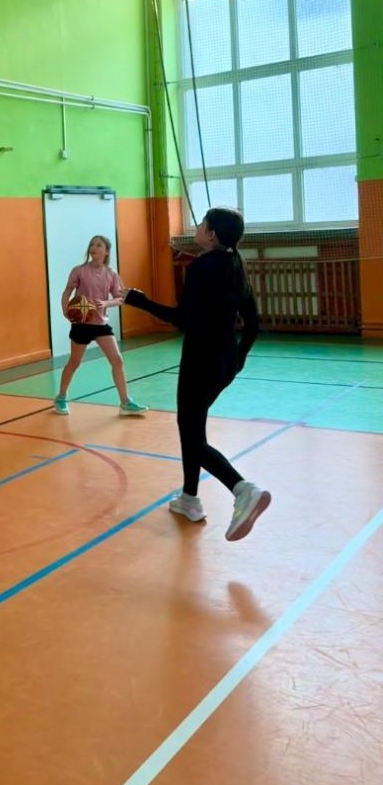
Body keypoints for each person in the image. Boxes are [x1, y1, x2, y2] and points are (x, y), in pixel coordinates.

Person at [116, 206, 270, 542]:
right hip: (225, 361)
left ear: (211, 235)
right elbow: (253, 323)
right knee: (192, 427)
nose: (198, 228)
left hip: (200, 360)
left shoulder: (202, 267)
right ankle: (189, 498)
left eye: (202, 224)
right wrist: (239, 358)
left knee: (191, 435)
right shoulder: (236, 263)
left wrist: (140, 302)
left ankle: (242, 489)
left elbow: (183, 319)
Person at [54, 235, 148, 418]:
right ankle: (61, 397)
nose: (94, 248)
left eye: (98, 245)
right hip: (82, 324)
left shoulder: (111, 274)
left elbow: (120, 298)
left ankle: (125, 402)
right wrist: (66, 310)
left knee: (117, 360)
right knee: (74, 362)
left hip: (101, 324)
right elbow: (67, 292)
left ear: (106, 251)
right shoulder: (79, 271)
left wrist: (106, 303)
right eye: (92, 245)